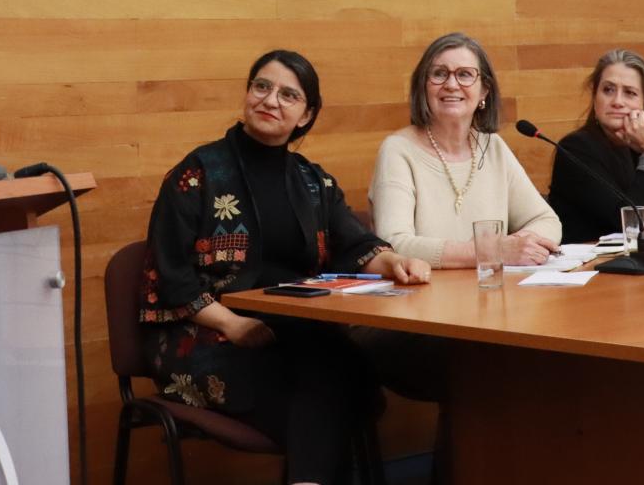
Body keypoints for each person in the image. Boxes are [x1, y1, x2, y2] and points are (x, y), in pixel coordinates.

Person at [140, 49, 429, 485]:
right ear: (247, 94)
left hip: (295, 333)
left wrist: (393, 260)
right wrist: (232, 324)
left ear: (306, 114)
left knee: (341, 368)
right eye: (262, 86)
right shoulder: (196, 174)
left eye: (288, 95)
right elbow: (169, 275)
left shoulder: (314, 180)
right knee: (331, 384)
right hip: (205, 338)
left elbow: (355, 243)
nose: (271, 100)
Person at [368, 32, 563, 269]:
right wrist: (491, 251)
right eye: (439, 74)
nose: (451, 85)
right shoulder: (398, 150)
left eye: (464, 75)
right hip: (426, 297)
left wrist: (518, 246)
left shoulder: (492, 147)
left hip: (492, 293)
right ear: (423, 87)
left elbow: (546, 221)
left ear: (484, 92)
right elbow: (393, 244)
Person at [545, 48, 644, 242]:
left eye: (629, 93)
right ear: (595, 97)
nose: (617, 101)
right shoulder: (575, 149)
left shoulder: (640, 149)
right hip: (592, 267)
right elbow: (629, 225)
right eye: (608, 90)